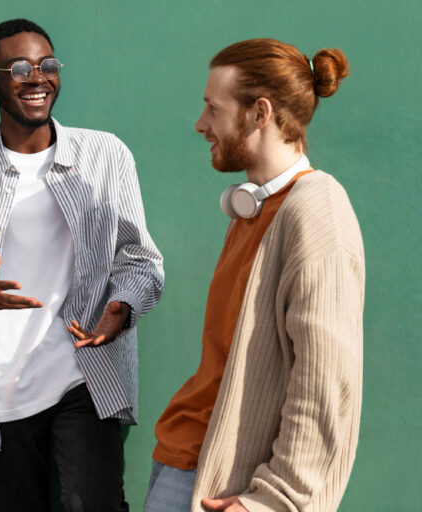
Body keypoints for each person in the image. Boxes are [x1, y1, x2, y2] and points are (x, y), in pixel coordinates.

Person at [0, 18, 163, 512]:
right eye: (20, 67)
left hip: (85, 374)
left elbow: (140, 259)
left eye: (48, 64)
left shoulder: (105, 155)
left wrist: (122, 307)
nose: (37, 77)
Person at [145, 39, 364, 512]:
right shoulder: (253, 209)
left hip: (228, 486)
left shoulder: (315, 211)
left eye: (212, 108)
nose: (201, 124)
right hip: (184, 463)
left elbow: (325, 381)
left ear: (259, 113)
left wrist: (272, 501)